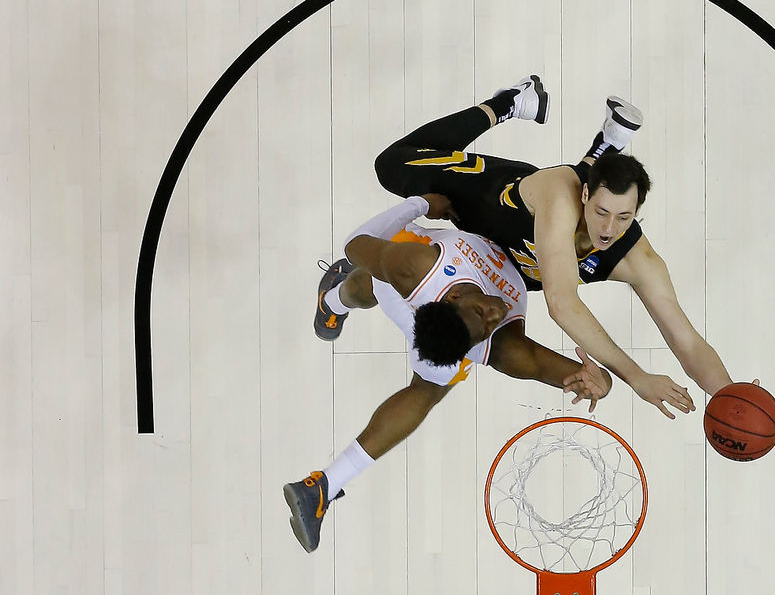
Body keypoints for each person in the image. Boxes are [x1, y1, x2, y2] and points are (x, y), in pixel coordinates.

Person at [371, 75, 747, 419]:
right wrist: (637, 376)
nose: (608, 228)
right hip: (485, 206)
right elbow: (563, 306)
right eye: (601, 212)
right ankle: (513, 102)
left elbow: (686, 340)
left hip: (511, 263)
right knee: (390, 166)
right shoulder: (560, 196)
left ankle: (607, 145)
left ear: (637, 212)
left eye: (623, 217)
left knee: (557, 254)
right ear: (585, 195)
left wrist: (732, 397)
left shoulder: (638, 259)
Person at [286, 193, 612, 553]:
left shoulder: (430, 281)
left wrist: (420, 204)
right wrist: (602, 384)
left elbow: (356, 244)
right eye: (488, 322)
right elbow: (355, 245)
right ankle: (324, 483)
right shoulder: (491, 336)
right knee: (419, 370)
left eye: (484, 317)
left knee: (378, 284)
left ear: (457, 302)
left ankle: (331, 302)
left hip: (407, 285)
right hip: (405, 291)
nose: (494, 313)